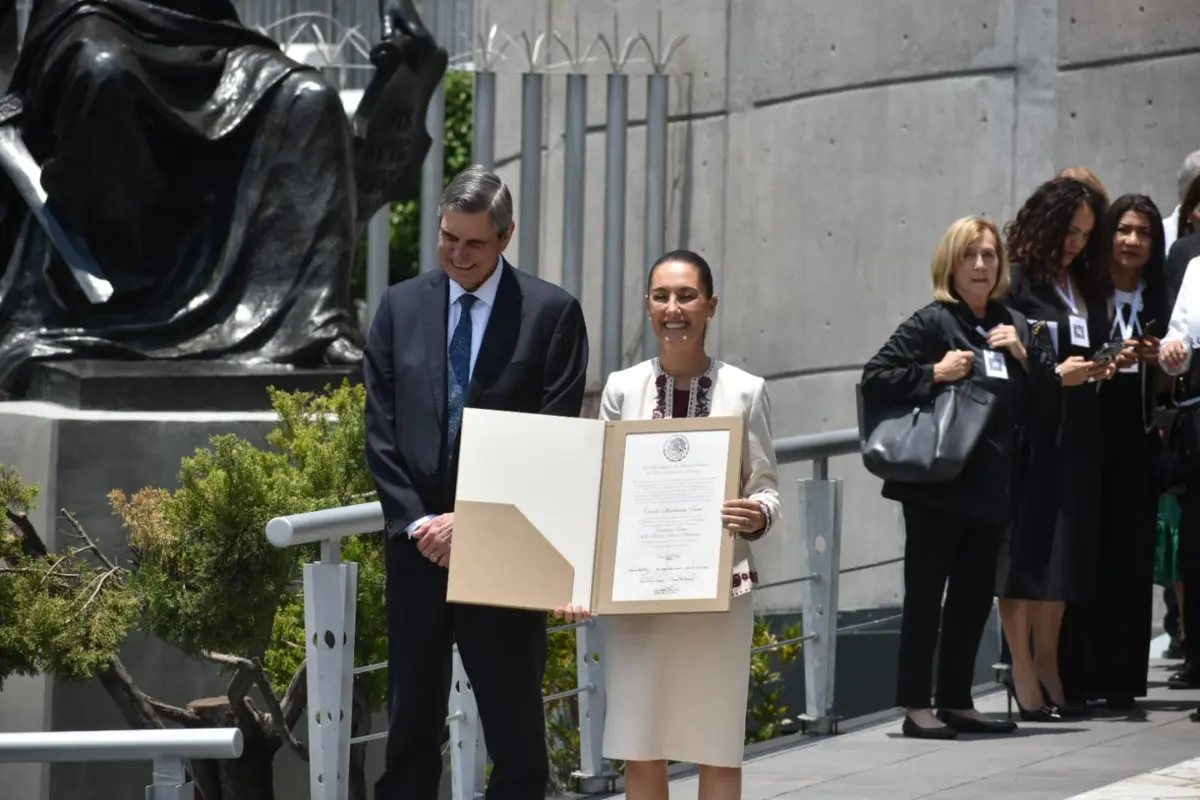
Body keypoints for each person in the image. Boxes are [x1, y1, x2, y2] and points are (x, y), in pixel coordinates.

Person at [363, 165, 590, 800]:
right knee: (409, 727)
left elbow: (552, 438)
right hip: (417, 548)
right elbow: (379, 427)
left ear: (506, 235)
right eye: (447, 238)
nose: (458, 255)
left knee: (515, 729)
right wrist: (418, 522)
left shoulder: (551, 314)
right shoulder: (399, 306)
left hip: (507, 546)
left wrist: (475, 522)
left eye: (475, 243)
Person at [555, 249, 780, 800]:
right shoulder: (621, 388)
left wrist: (757, 516)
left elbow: (767, 487)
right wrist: (580, 579)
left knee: (717, 744)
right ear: (648, 305)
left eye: (686, 296)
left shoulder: (746, 390)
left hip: (719, 595)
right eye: (661, 296)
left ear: (711, 306)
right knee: (641, 742)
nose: (673, 308)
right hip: (637, 596)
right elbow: (600, 492)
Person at [861, 216, 1045, 739]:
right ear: (951, 263)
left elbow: (1049, 401)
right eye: (971, 256)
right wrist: (934, 374)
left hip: (991, 486)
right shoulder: (932, 322)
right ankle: (916, 706)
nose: (982, 265)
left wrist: (1025, 356)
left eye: (989, 255)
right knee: (926, 596)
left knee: (970, 598)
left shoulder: (1012, 322)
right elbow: (875, 379)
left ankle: (957, 700)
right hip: (938, 487)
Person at [998, 176, 1114, 719]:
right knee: (1026, 552)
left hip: (1080, 430)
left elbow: (1082, 344)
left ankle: (1049, 662)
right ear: (1046, 224)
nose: (1076, 243)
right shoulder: (1016, 281)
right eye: (1069, 231)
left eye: (1087, 235)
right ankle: (1021, 666)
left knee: (1064, 552)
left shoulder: (1082, 283)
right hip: (1032, 430)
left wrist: (1107, 362)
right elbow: (1001, 357)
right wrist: (1052, 373)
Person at [1080, 194, 1169, 709]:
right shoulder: (1088, 293)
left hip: (1139, 438)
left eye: (1144, 233)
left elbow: (1175, 377)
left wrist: (1163, 361)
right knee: (1087, 553)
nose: (1133, 241)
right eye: (1124, 230)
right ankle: (1080, 675)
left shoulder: (1161, 299)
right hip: (1089, 433)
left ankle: (1122, 682)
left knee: (1131, 560)